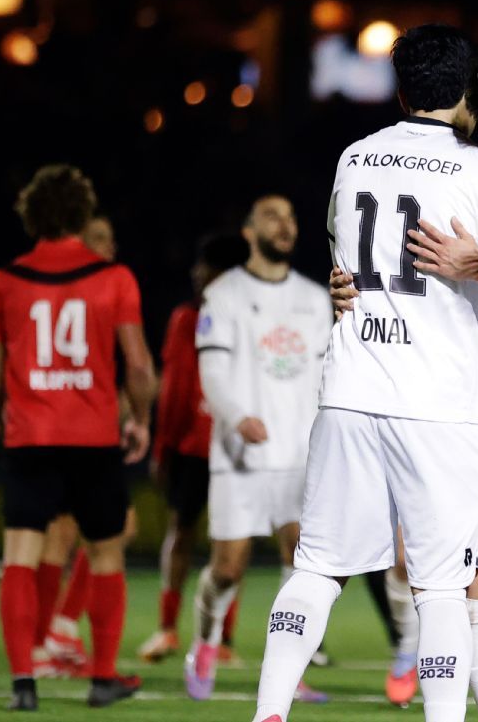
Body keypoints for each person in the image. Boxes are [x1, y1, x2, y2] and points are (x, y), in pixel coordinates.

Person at [250, 24, 478, 722]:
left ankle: (269, 709)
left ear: (398, 87)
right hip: (437, 402)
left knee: (317, 568)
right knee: (444, 586)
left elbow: (348, 262)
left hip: (349, 390)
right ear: (466, 91)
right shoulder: (475, 165)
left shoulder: (354, 156)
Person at [0, 164, 157, 710]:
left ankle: (23, 685)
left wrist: (4, 413)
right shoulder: (114, 278)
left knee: (19, 558)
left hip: (31, 438)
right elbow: (139, 367)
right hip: (92, 438)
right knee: (105, 557)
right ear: (83, 214)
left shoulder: (6, 281)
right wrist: (140, 420)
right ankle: (102, 678)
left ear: (31, 215)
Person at [184, 195, 331, 703]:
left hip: (297, 456)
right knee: (228, 570)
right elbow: (212, 372)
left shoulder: (316, 299)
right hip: (240, 458)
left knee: (302, 570)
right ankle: (203, 642)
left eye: (291, 216)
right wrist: (237, 416)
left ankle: (288, 672)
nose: (285, 225)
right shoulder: (224, 295)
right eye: (272, 216)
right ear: (248, 231)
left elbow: (324, 374)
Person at [138, 231, 248, 664]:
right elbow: (175, 391)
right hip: (198, 448)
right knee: (195, 538)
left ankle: (210, 638)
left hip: (223, 447)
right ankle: (175, 630)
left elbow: (178, 390)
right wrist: (164, 446)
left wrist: (163, 448)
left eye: (206, 266)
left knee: (217, 544)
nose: (197, 274)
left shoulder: (208, 319)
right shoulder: (189, 318)